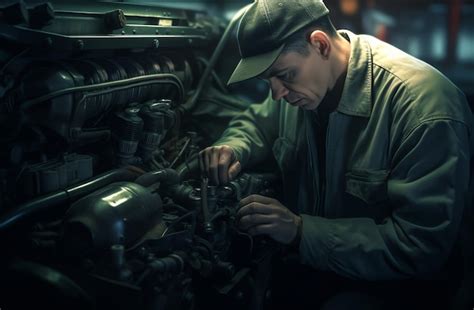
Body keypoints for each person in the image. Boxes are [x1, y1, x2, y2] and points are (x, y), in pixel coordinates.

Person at [199, 0, 474, 308]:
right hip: (318, 266)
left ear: (320, 44)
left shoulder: (424, 109)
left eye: (284, 75)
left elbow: (419, 247)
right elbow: (258, 123)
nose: (276, 94)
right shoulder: (301, 86)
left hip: (402, 285)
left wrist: (300, 231)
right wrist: (233, 146)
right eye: (268, 81)